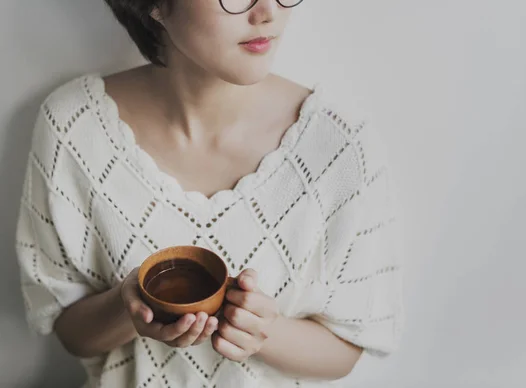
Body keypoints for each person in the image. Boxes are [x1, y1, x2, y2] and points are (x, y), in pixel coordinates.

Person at [15, 0, 403, 387]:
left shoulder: (340, 148)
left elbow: (346, 350)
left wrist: (264, 332)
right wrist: (127, 308)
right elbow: (71, 333)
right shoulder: (75, 127)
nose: (268, 11)